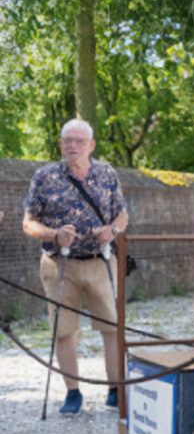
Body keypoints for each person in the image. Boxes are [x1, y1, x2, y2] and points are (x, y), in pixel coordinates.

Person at [22, 119, 129, 414]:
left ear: (91, 145)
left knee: (112, 328)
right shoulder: (44, 176)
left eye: (79, 141)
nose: (73, 146)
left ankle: (115, 390)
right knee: (63, 330)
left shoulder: (107, 173)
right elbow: (28, 223)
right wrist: (53, 234)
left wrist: (112, 231)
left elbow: (122, 215)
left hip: (100, 261)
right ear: (60, 144)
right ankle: (73, 393)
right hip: (59, 265)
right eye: (67, 140)